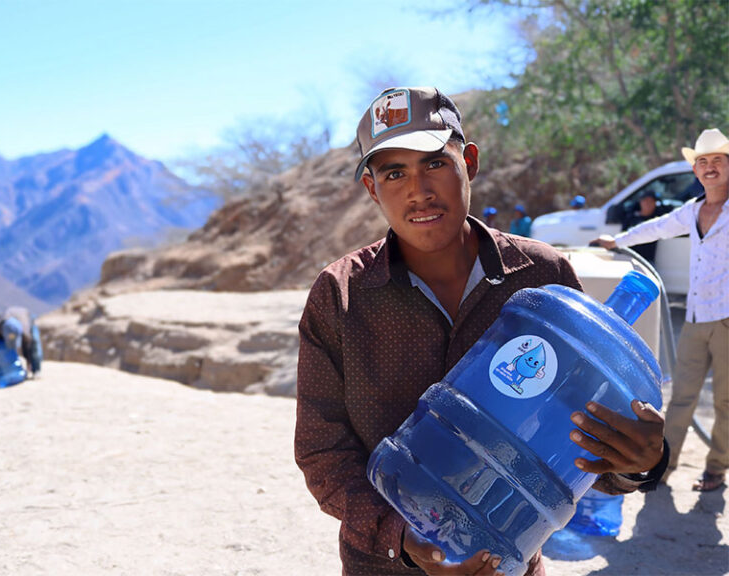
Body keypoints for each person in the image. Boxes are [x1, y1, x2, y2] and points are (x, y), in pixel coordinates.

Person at [295, 86, 668, 576]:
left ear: (468, 161)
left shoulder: (543, 278)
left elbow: (572, 450)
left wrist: (639, 462)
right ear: (372, 188)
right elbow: (322, 452)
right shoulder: (341, 296)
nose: (418, 190)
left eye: (434, 162)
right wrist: (403, 539)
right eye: (394, 173)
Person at [593, 127, 729, 493]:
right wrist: (617, 241)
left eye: (717, 160)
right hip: (697, 318)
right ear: (696, 171)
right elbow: (658, 227)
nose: (710, 167)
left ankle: (716, 469)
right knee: (681, 396)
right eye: (703, 162)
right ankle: (664, 468)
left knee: (725, 400)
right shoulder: (694, 210)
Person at [0, 306, 43, 379]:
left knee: (34, 347)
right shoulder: (0, 325)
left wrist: (28, 362)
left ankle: (36, 370)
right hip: (11, 316)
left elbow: (28, 346)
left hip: (27, 317)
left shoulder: (25, 330)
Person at [620, 190, 673, 263]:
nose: (648, 204)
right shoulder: (631, 218)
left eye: (651, 201)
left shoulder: (657, 219)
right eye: (645, 201)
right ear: (640, 202)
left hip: (648, 262)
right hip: (629, 259)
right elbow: (622, 236)